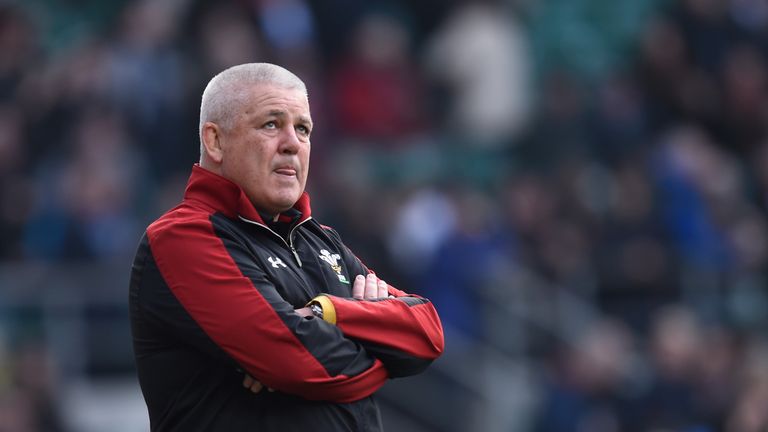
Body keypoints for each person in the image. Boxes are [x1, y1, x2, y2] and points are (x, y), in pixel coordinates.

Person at [128, 62, 444, 431]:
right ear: (215, 141)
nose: (293, 143)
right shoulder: (182, 238)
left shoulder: (321, 238)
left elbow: (427, 333)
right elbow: (304, 365)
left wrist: (326, 312)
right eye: (271, 124)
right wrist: (381, 346)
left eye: (303, 129)